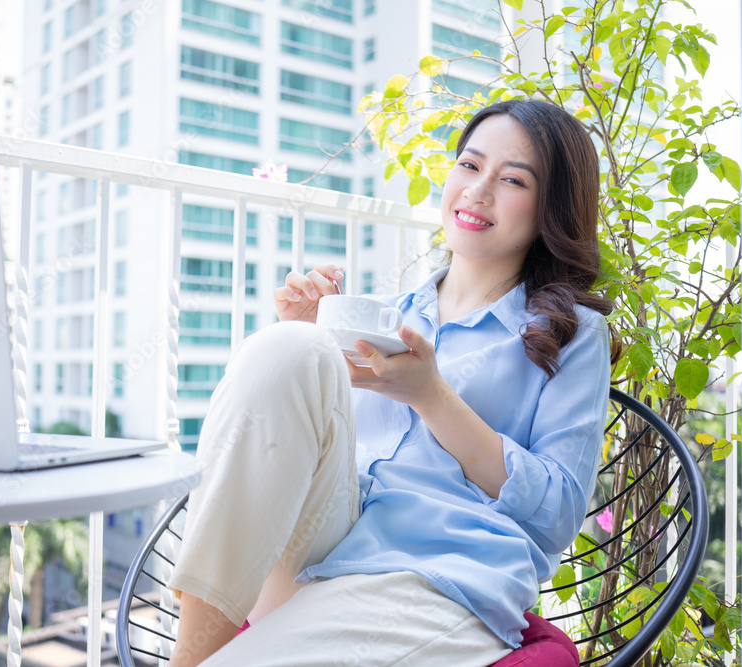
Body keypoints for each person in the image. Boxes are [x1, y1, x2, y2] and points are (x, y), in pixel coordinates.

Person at [166, 99, 619, 667]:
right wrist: (309, 352)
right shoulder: (379, 317)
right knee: (288, 348)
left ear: (550, 207)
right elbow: (304, 453)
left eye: (512, 180)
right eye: (470, 166)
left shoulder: (572, 336)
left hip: (437, 577)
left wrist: (432, 396)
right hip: (319, 552)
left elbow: (556, 515)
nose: (478, 192)